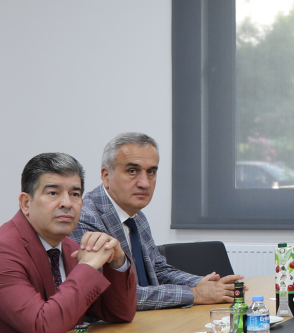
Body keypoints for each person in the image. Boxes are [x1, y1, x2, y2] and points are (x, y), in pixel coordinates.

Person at [0, 152, 137, 333]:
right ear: (26, 203)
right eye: (53, 193)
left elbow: (119, 314)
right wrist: (88, 267)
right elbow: (45, 328)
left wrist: (117, 262)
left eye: (75, 194)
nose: (66, 203)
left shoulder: (69, 247)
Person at [77, 131, 242, 309]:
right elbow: (109, 296)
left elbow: (157, 269)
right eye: (132, 171)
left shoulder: (137, 217)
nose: (145, 183)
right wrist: (195, 293)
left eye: (151, 172)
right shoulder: (85, 219)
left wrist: (203, 283)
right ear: (106, 176)